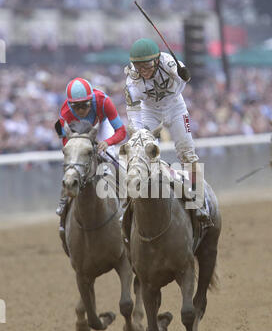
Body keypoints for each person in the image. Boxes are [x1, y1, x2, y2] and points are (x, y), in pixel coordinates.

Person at [124, 38, 211, 224]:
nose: (144, 72)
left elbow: (182, 75)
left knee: (187, 153)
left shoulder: (169, 63)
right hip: (149, 112)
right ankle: (130, 205)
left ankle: (198, 202)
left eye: (147, 66)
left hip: (176, 107)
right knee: (144, 155)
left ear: (156, 60)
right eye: (140, 67)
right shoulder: (132, 80)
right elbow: (133, 111)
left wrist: (183, 73)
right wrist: (138, 132)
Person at [55, 77, 127, 216]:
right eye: (76, 106)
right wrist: (75, 148)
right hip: (78, 132)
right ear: (70, 105)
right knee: (73, 161)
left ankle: (126, 196)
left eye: (84, 105)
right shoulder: (65, 113)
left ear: (91, 99)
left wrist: (108, 142)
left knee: (108, 157)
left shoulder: (104, 101)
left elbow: (121, 131)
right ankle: (64, 198)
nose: (81, 110)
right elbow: (63, 138)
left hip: (101, 125)